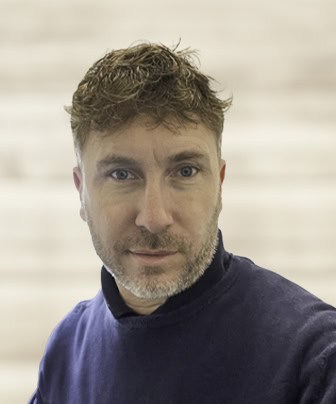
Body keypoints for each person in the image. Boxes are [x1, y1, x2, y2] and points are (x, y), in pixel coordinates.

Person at [30, 42, 336, 404]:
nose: (155, 218)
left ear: (219, 183)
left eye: (185, 171)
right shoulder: (66, 350)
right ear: (81, 191)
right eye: (122, 174)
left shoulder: (315, 358)